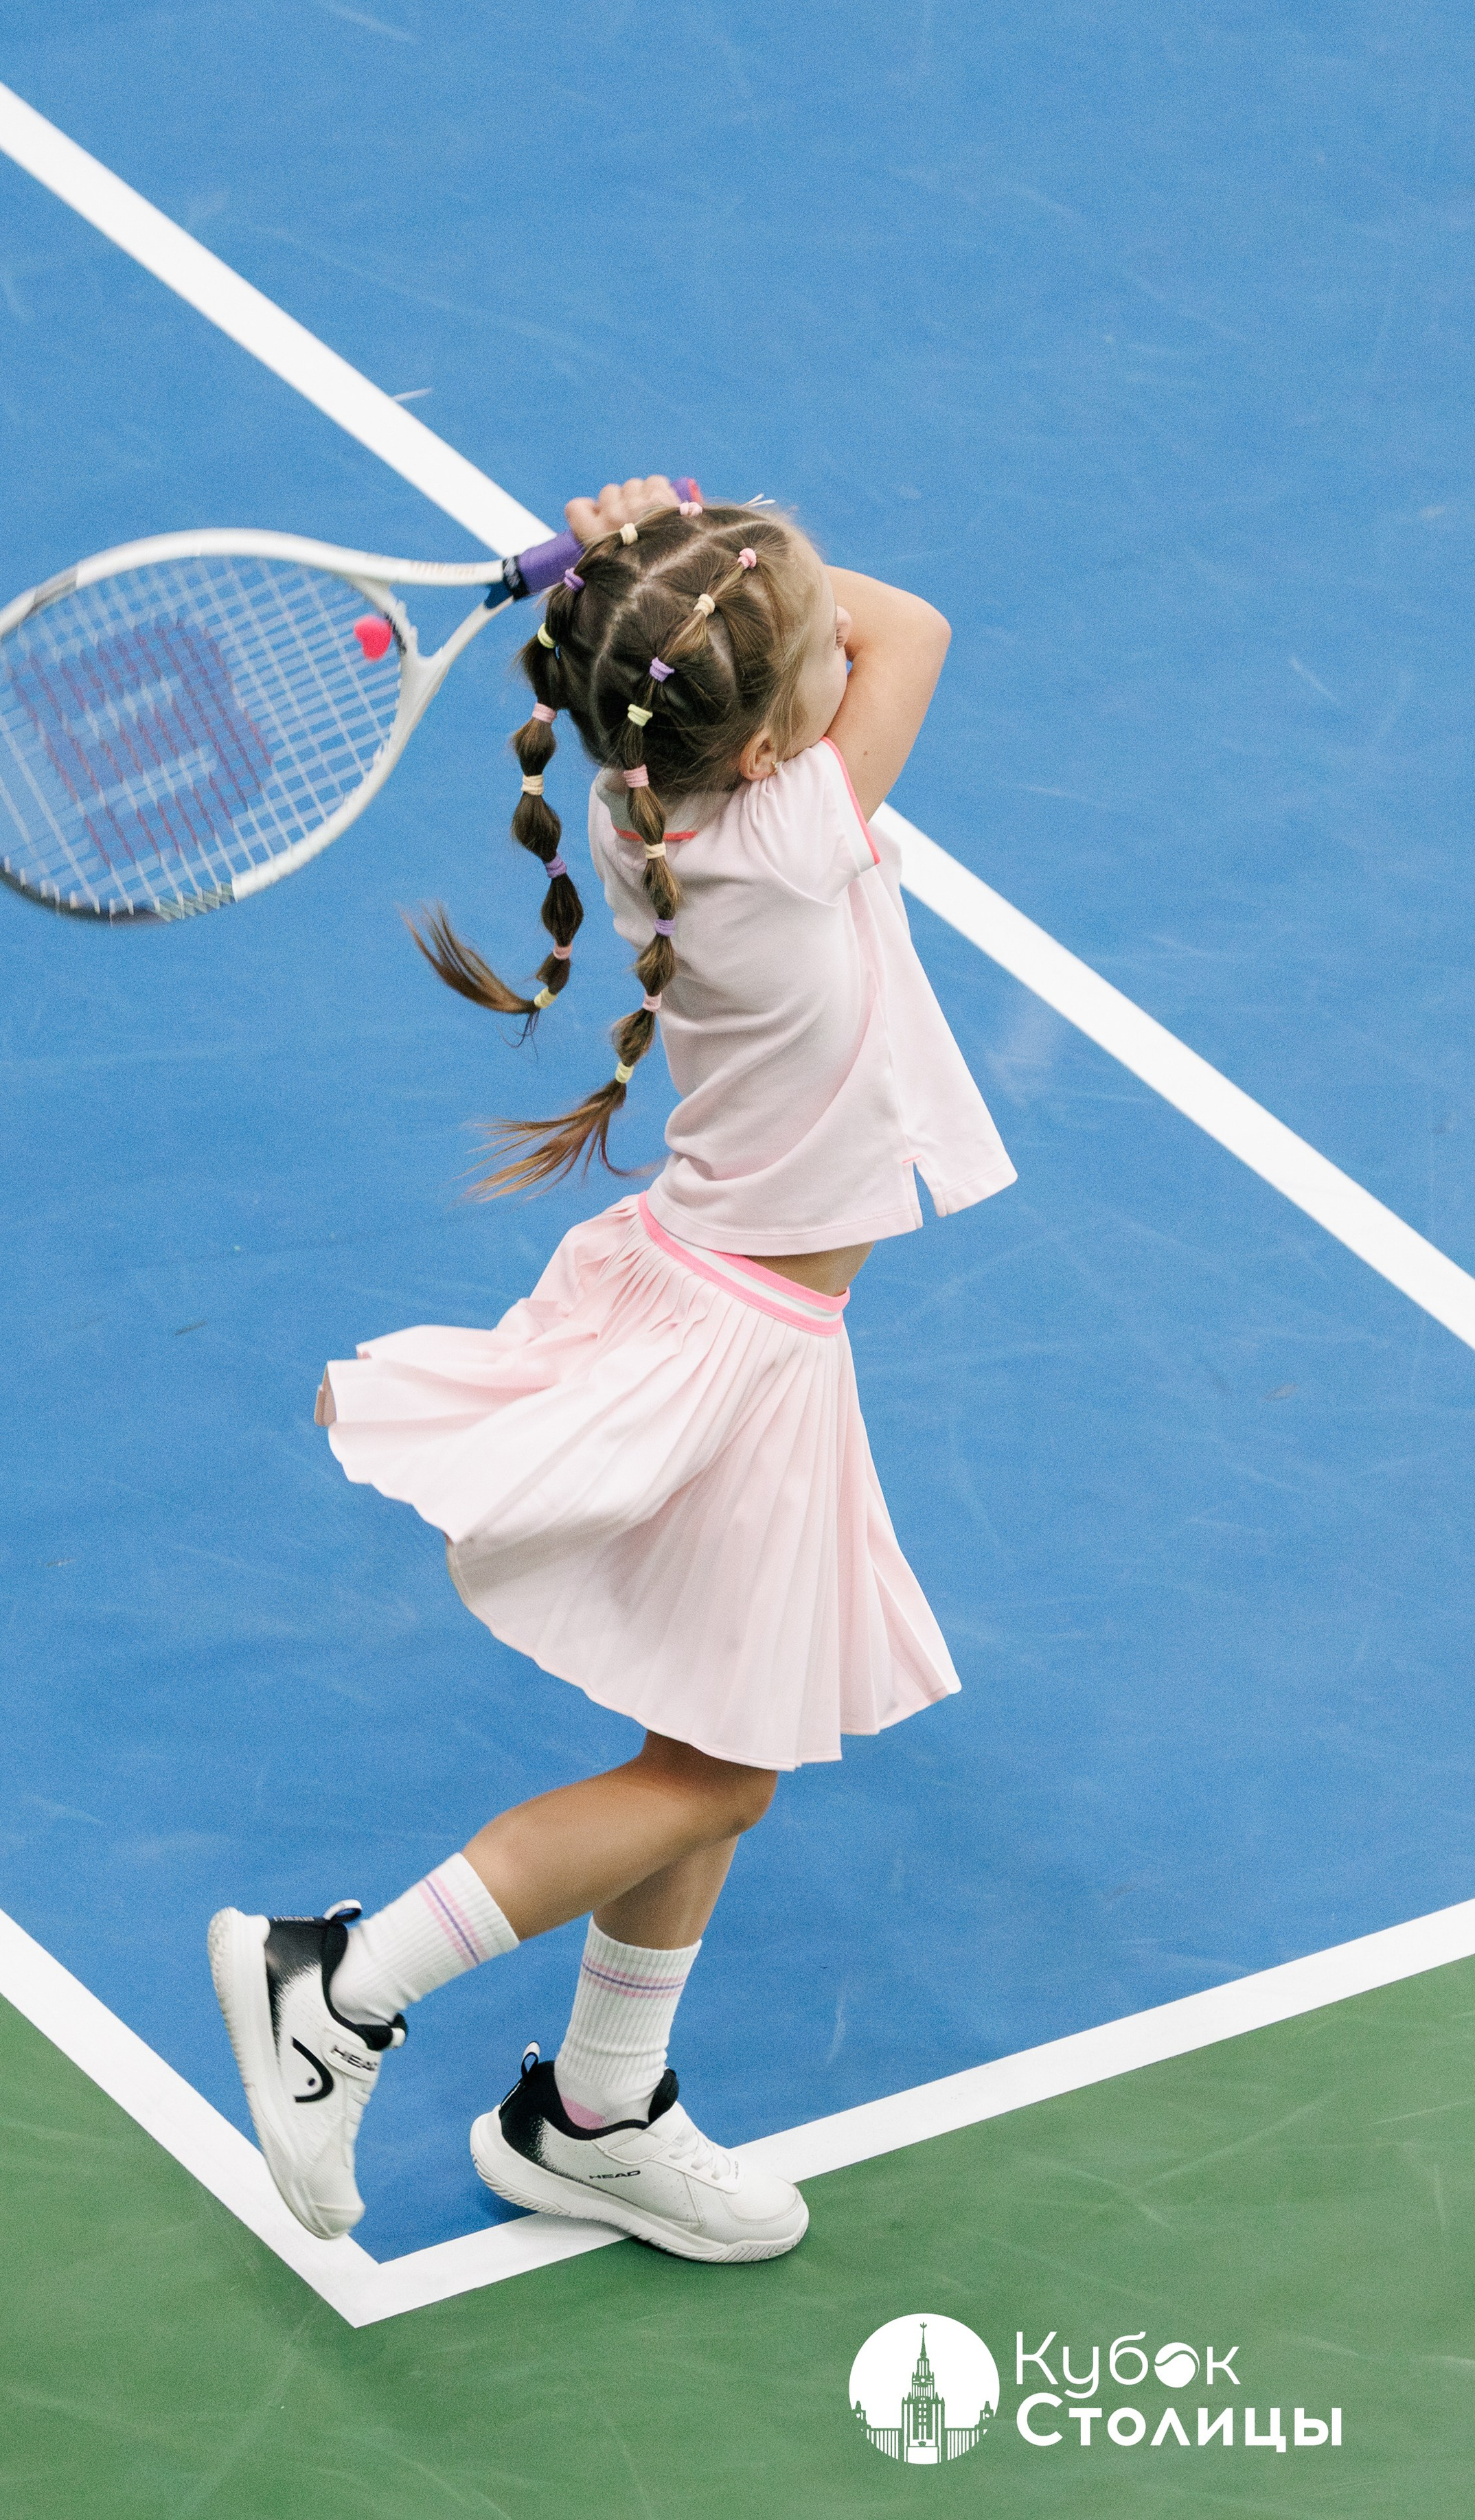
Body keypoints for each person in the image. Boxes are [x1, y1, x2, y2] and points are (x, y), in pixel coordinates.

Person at [209, 476, 1015, 2267]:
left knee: (716, 1734)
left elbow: (814, 638)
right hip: (740, 1348)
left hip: (723, 1311)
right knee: (723, 1773)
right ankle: (335, 1983)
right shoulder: (795, 830)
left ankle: (595, 2112)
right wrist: (693, 527)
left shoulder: (647, 798)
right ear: (778, 733)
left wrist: (675, 562)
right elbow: (918, 623)